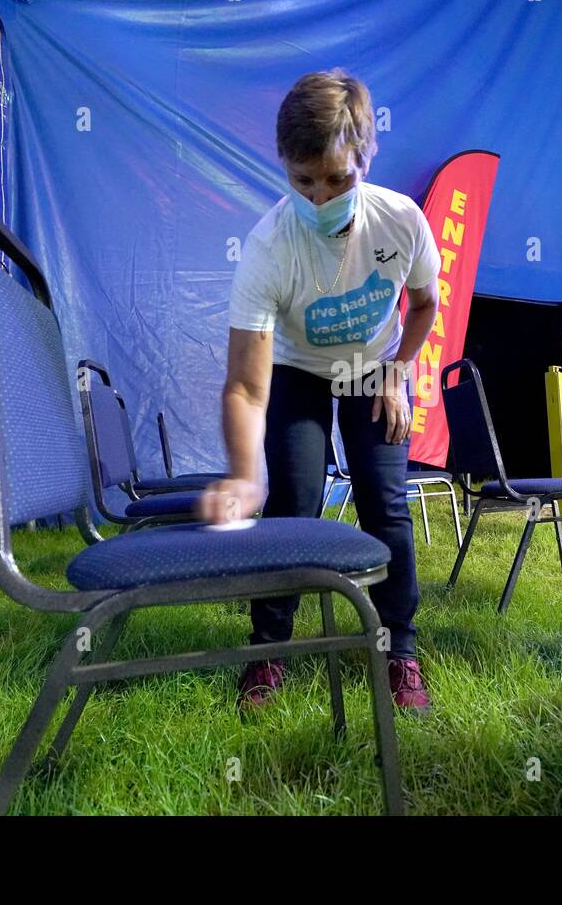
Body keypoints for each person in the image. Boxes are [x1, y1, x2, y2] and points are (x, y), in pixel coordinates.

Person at [199, 68, 440, 711]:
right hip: (296, 369)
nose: (319, 198)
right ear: (284, 165)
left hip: (373, 365)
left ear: (366, 157)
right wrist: (245, 472)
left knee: (384, 502)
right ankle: (267, 652)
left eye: (338, 179)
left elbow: (422, 307)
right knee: (294, 501)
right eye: (303, 180)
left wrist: (399, 370)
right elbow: (248, 388)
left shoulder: (401, 222)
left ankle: (400, 651)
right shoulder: (268, 249)